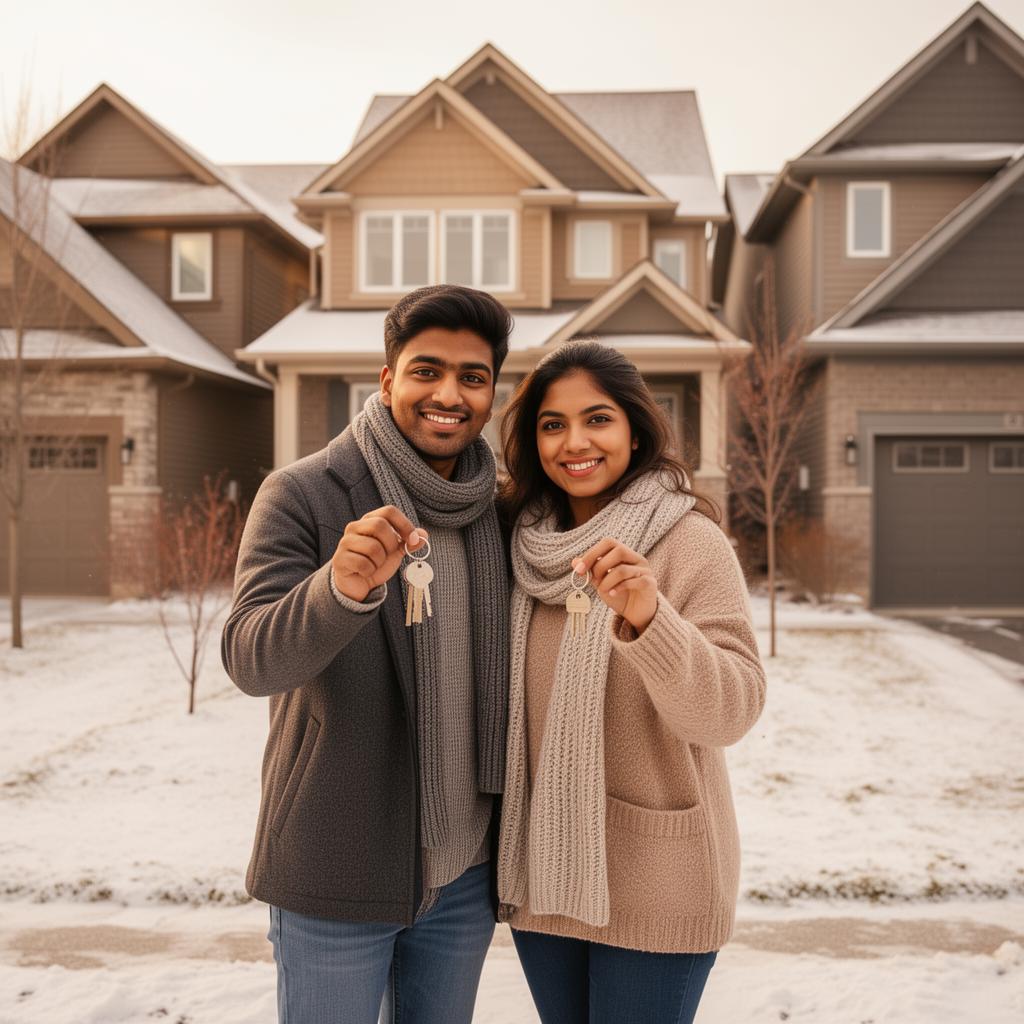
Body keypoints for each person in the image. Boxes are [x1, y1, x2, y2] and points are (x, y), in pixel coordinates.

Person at [221, 284, 513, 1024]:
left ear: (490, 393)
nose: (448, 393)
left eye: (472, 377)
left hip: (463, 875)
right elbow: (251, 659)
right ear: (387, 381)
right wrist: (339, 589)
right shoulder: (305, 494)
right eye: (426, 370)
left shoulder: (502, 510)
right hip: (336, 868)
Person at [496, 340, 767, 1024]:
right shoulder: (521, 547)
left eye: (598, 419)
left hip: (660, 880)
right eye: (552, 424)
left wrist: (652, 620)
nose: (574, 442)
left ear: (635, 429)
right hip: (546, 877)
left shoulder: (687, 541)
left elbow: (730, 712)